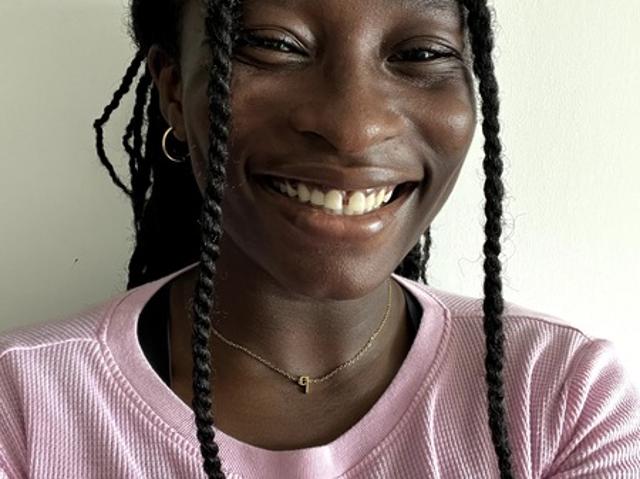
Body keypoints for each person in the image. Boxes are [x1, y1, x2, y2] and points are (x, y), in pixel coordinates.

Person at [1, 0, 639, 478]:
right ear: (172, 89)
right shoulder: (22, 408)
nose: (354, 128)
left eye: (421, 53)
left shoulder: (561, 396)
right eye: (275, 45)